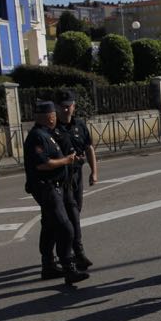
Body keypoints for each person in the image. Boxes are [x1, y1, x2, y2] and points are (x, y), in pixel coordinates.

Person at [23, 101, 89, 286]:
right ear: (50, 116)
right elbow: (42, 164)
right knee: (66, 227)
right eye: (53, 115)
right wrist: (66, 161)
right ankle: (69, 269)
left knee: (50, 227)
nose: (55, 117)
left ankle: (48, 266)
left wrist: (70, 160)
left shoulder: (46, 134)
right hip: (47, 187)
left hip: (54, 186)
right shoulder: (38, 136)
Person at [52, 89, 97, 269]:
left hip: (76, 176)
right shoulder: (52, 129)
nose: (66, 110)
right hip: (61, 178)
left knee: (75, 210)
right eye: (62, 107)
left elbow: (89, 148)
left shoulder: (79, 125)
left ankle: (62, 251)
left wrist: (94, 172)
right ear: (56, 107)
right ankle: (77, 253)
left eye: (69, 106)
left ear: (74, 106)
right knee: (72, 215)